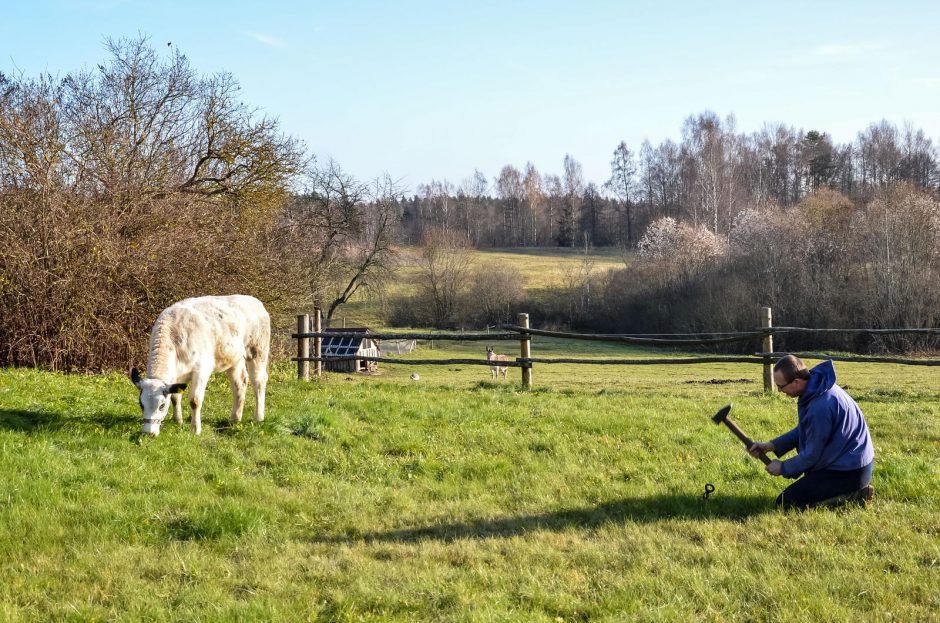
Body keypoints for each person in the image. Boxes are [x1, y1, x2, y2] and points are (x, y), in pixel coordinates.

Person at [749, 355, 875, 510]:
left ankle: (855, 494)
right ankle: (844, 491)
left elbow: (812, 455)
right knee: (794, 498)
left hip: (849, 472)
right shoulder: (817, 388)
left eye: (781, 386)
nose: (780, 391)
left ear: (796, 382)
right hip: (850, 464)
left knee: (786, 504)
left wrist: (783, 467)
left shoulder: (820, 406)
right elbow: (804, 429)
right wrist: (771, 445)